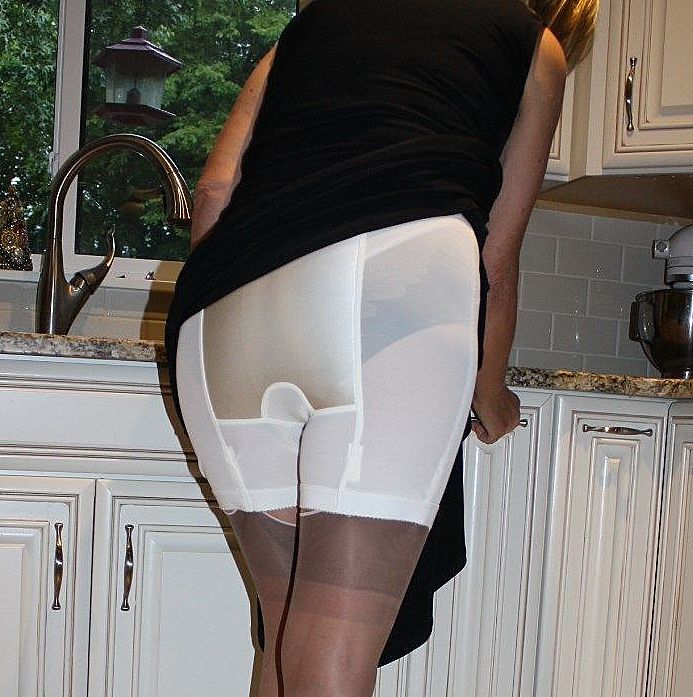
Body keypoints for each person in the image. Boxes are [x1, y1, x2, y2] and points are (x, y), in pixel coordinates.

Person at [164, 1, 598, 695]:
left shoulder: (312, 25)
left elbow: (215, 190)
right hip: (390, 286)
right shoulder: (534, 47)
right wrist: (488, 388)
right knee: (330, 642)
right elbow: (498, 253)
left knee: (284, 637)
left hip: (222, 310)